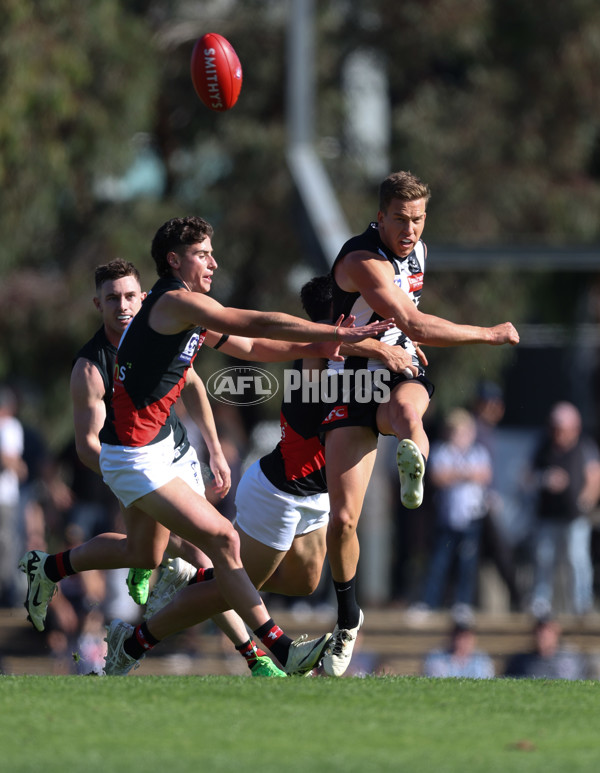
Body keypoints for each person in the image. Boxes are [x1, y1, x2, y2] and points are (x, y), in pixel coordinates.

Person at [19, 216, 391, 676]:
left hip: (158, 449)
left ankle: (47, 568)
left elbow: (252, 347)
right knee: (222, 539)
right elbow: (250, 320)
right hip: (132, 457)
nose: (213, 262)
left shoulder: (187, 310)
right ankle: (277, 650)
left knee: (144, 553)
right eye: (203, 253)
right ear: (175, 261)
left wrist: (320, 348)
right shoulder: (175, 302)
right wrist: (335, 333)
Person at [102, 273, 416, 675]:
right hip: (278, 495)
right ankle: (131, 643)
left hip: (315, 497)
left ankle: (202, 579)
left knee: (302, 583)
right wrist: (377, 350)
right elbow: (343, 376)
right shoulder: (315, 367)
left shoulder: (350, 358)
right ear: (340, 320)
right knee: (226, 591)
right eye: (359, 312)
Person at [319, 170, 519, 676]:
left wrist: (409, 349)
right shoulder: (362, 260)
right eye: (401, 219)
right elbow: (411, 320)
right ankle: (347, 616)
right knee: (343, 521)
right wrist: (487, 334)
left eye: (419, 219)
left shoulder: (418, 250)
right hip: (349, 384)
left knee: (410, 412)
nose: (410, 229)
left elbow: (409, 333)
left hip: (400, 368)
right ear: (380, 215)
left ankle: (416, 466)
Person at [409, 408, 492, 620]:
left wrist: (457, 474)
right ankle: (429, 602)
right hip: (447, 517)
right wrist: (465, 474)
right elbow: (438, 477)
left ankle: (463, 603)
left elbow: (483, 475)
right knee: (439, 562)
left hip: (472, 517)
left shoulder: (478, 452)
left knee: (467, 563)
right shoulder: (441, 451)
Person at [527, 401, 600, 618]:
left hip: (574, 517)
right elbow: (527, 476)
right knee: (544, 559)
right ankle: (541, 604)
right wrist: (544, 479)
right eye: (555, 428)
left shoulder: (585, 447)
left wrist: (585, 499)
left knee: (577, 560)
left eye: (562, 429)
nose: (558, 433)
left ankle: (582, 604)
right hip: (547, 516)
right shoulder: (542, 446)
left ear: (574, 428)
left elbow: (595, 477)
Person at [0, 385, 28, 607]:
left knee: (6, 546)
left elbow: (12, 461)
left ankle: (6, 596)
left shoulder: (10, 427)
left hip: (4, 499)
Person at [503, 616, 589, 679]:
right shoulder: (520, 662)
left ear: (557, 633)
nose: (542, 636)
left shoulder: (571, 659)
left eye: (547, 631)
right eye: (539, 631)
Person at [422, 619, 494, 679]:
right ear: (451, 635)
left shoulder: (482, 659)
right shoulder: (436, 657)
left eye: (467, 635)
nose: (463, 640)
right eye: (459, 635)